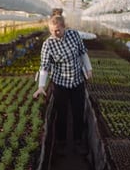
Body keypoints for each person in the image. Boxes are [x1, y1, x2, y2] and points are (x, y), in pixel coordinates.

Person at [33, 14, 93, 155]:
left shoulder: (74, 35)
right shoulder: (48, 44)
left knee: (78, 112)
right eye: (52, 30)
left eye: (58, 30)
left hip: (77, 80)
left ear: (64, 27)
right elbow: (44, 66)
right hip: (60, 83)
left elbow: (83, 52)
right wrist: (41, 86)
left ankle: (78, 141)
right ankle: (61, 142)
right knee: (61, 113)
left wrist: (88, 68)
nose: (54, 33)